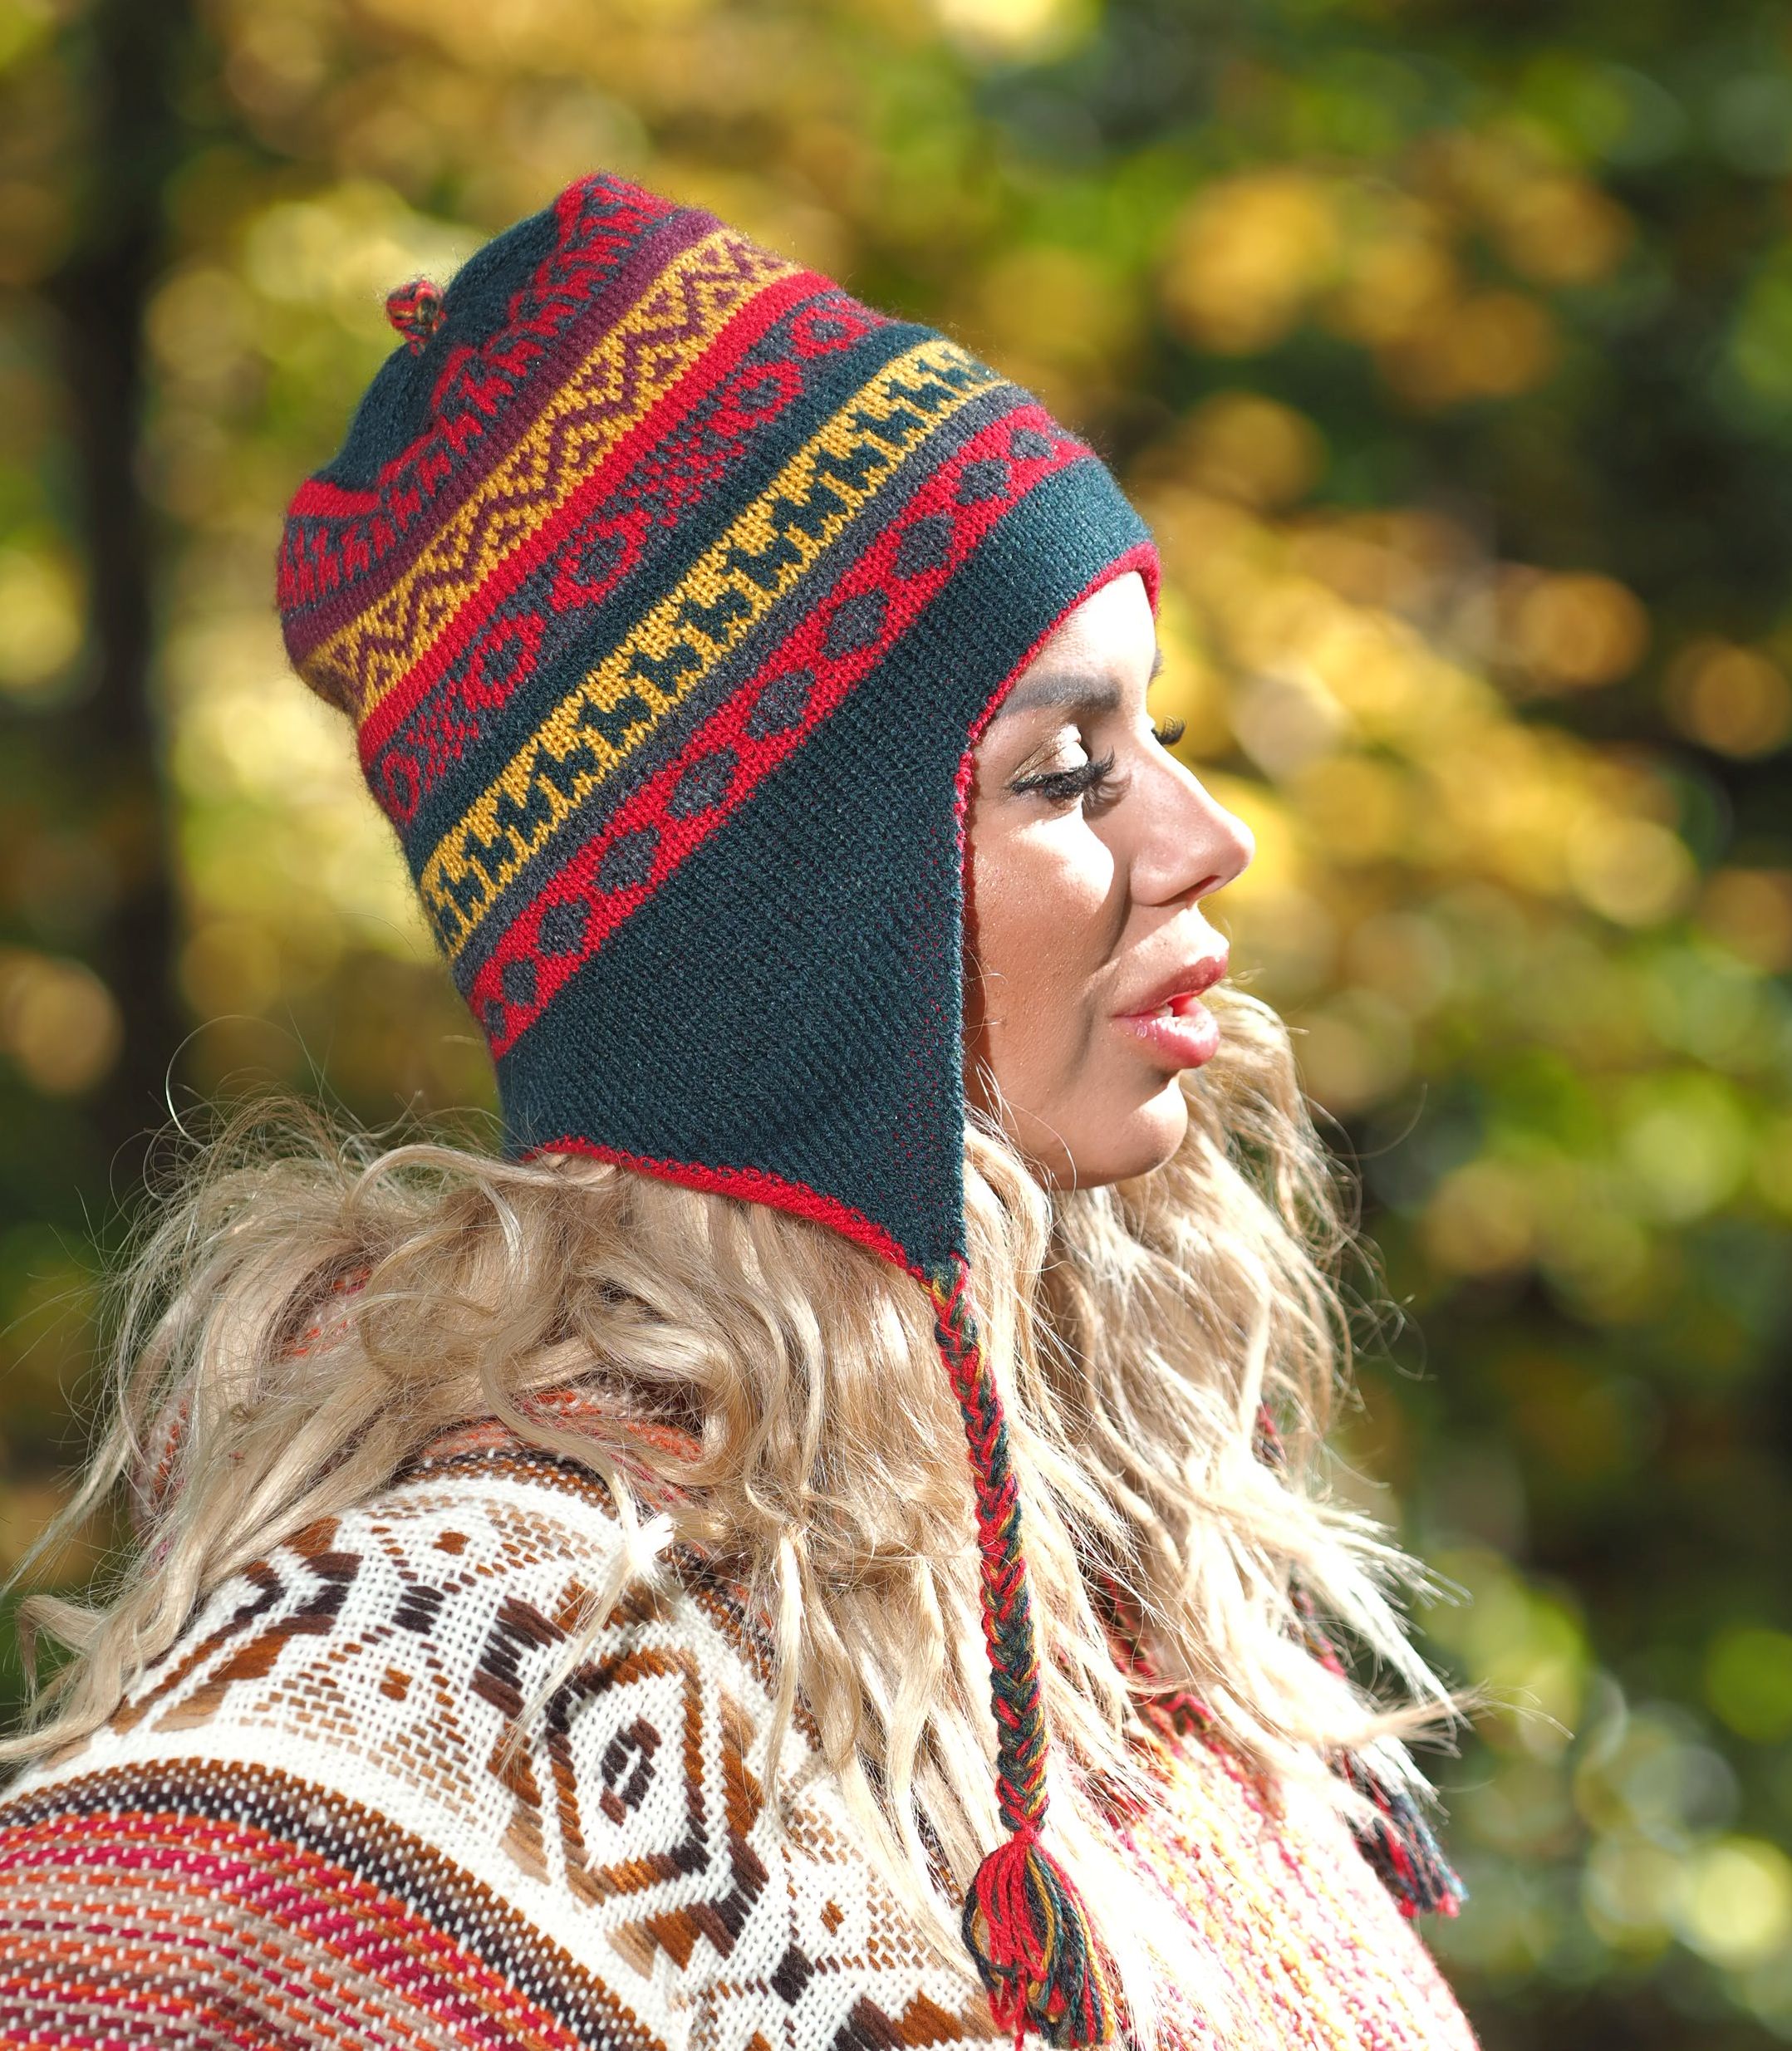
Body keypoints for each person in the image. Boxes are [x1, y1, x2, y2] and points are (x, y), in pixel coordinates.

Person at [0, 171, 1477, 2050]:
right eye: (1062, 770)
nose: (1206, 837)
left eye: (1158, 735)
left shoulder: (1102, 1622)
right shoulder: (441, 1688)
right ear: (777, 917)